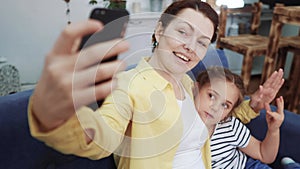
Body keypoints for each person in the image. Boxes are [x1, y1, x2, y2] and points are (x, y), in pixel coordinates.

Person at [27, 0, 282, 168]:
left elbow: (212, 114)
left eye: (202, 42)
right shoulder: (129, 87)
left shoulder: (189, 82)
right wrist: (57, 118)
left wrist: (253, 107)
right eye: (183, 32)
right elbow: (102, 135)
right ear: (160, 31)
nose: (191, 47)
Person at [194, 66, 285, 169]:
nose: (215, 108)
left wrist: (273, 130)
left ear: (230, 111)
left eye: (225, 105)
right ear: (196, 89)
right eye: (212, 96)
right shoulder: (179, 127)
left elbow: (264, 155)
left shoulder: (230, 126)